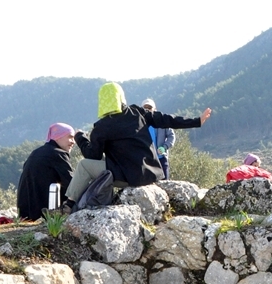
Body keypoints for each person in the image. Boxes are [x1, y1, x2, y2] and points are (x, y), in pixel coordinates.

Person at [66, 83, 210, 203]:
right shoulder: (137, 112)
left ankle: (69, 203)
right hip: (150, 173)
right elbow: (166, 119)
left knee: (84, 166)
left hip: (127, 178)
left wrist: (80, 137)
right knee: (106, 161)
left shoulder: (102, 126)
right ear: (121, 97)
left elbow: (93, 155)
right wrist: (196, 121)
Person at [16, 123, 83, 220]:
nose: (73, 142)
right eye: (70, 137)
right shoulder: (58, 153)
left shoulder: (37, 152)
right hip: (43, 212)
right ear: (58, 137)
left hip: (25, 212)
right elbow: (71, 183)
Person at [142, 98, 176, 180]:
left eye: (149, 108)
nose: (147, 110)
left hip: (161, 159)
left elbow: (171, 136)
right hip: (146, 161)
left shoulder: (162, 122)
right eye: (145, 108)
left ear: (154, 109)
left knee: (165, 185)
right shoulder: (139, 124)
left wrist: (164, 147)